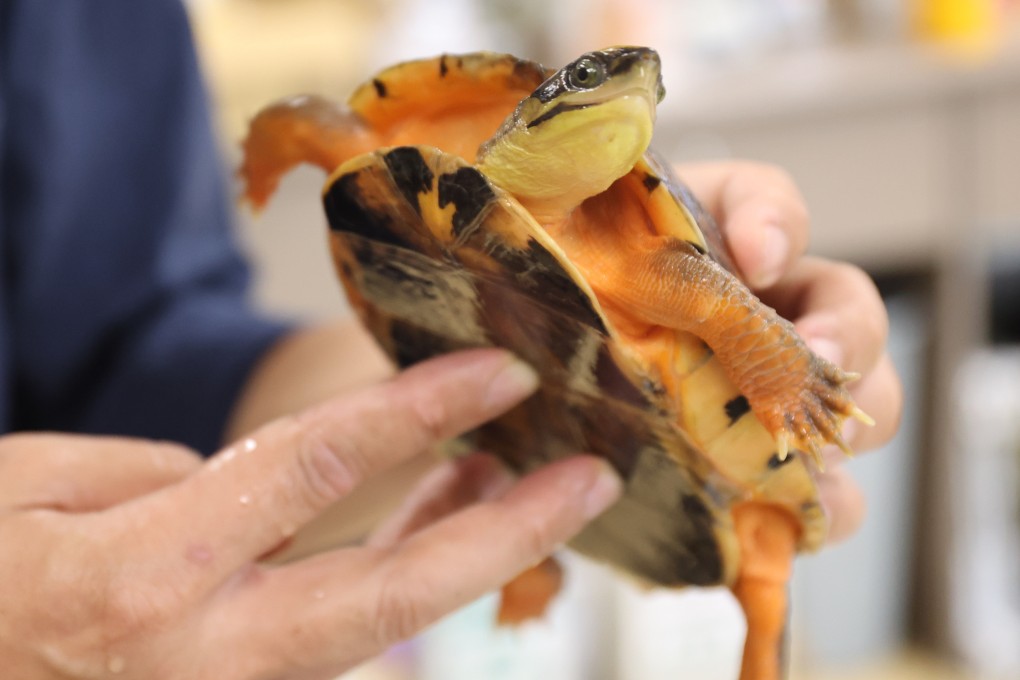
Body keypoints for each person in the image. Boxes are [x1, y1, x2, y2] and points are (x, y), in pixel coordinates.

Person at [0, 1, 901, 678]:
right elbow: (326, 131)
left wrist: (796, 369)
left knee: (761, 574)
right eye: (589, 81)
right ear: (542, 109)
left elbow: (131, 344)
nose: (623, 92)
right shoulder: (448, 144)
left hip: (591, 417)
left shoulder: (645, 266)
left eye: (641, 93)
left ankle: (539, 559)